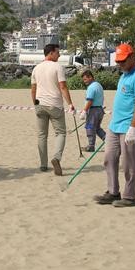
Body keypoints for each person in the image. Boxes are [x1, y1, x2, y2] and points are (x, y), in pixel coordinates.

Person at [93, 43, 135, 208]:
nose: (120, 64)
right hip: (115, 126)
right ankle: (113, 192)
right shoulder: (124, 74)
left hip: (129, 127)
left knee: (129, 164)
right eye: (118, 61)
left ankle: (130, 197)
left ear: (132, 56)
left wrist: (133, 128)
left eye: (123, 61)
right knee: (109, 159)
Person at [30, 44, 76, 175]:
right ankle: (56, 158)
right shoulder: (58, 67)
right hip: (55, 104)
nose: (59, 55)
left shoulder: (36, 68)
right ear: (51, 53)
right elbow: (63, 87)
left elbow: (33, 89)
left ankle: (43, 164)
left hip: (40, 104)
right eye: (57, 52)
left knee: (42, 135)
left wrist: (35, 103)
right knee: (60, 133)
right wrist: (70, 104)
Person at [79, 70, 106, 152]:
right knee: (97, 128)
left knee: (90, 127)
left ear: (90, 77)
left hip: (93, 110)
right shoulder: (98, 85)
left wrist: (84, 111)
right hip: (100, 109)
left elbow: (90, 101)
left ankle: (91, 146)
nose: (84, 81)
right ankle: (110, 142)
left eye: (85, 79)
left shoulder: (91, 87)